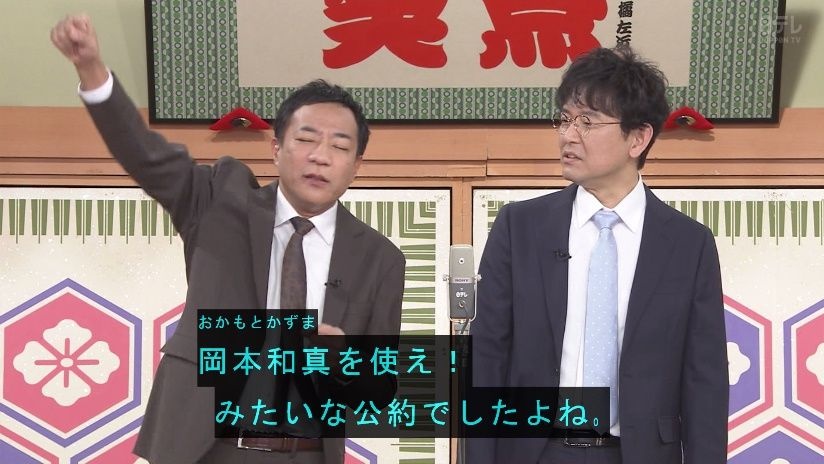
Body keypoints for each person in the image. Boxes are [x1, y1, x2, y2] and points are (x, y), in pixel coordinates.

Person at [51, 14, 405, 464]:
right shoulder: (220, 202)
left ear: (357, 166)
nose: (320, 156)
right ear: (276, 149)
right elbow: (146, 156)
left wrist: (344, 361)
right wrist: (92, 71)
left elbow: (379, 390)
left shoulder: (379, 258)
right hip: (205, 449)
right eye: (306, 139)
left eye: (339, 147)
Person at [469, 46, 728, 464]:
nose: (568, 135)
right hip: (535, 452)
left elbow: (705, 380)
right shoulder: (520, 228)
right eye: (565, 119)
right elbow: (487, 358)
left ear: (638, 138)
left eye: (587, 122)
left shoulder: (688, 244)